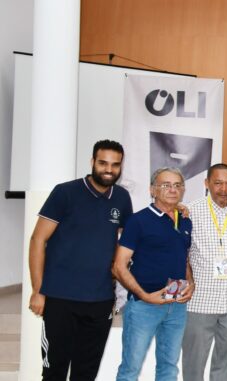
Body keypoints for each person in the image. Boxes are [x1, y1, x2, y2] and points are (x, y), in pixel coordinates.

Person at [28, 140, 133, 381]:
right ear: (92, 162)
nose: (109, 169)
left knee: (86, 372)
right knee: (54, 369)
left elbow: (129, 239)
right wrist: (37, 290)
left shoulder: (122, 198)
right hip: (60, 298)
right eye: (103, 163)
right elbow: (37, 240)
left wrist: (175, 210)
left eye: (115, 165)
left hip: (100, 300)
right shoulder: (65, 192)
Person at [112, 167, 194, 381]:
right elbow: (119, 267)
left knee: (169, 367)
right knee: (131, 369)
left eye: (177, 185)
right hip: (143, 307)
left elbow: (184, 258)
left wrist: (190, 283)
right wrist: (144, 295)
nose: (172, 190)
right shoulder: (138, 221)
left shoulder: (184, 220)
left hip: (176, 306)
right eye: (165, 185)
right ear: (152, 190)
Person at [181, 164, 227, 381]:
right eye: (218, 183)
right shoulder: (190, 211)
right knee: (194, 363)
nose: (223, 188)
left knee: (224, 363)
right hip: (200, 300)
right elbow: (183, 254)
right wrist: (188, 282)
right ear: (207, 184)